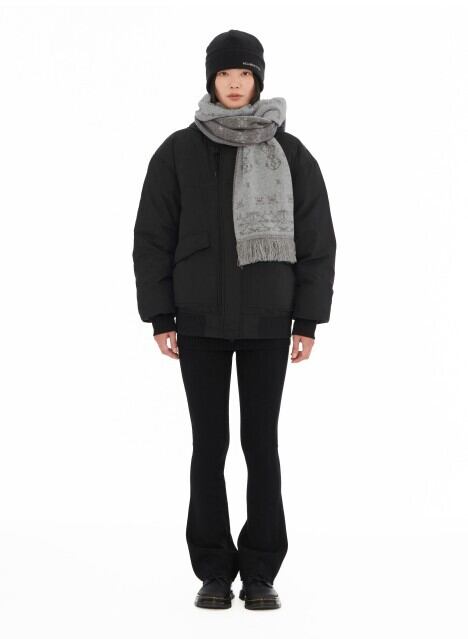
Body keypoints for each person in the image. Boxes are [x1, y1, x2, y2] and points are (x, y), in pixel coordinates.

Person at [132, 29, 337, 610]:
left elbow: (317, 241)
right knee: (209, 445)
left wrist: (307, 321)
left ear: (258, 80)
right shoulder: (177, 151)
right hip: (197, 323)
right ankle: (215, 572)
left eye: (244, 73)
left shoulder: (291, 154)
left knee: (260, 444)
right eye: (224, 73)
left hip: (270, 321)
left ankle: (262, 571)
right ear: (211, 80)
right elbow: (152, 237)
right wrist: (159, 315)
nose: (234, 83)